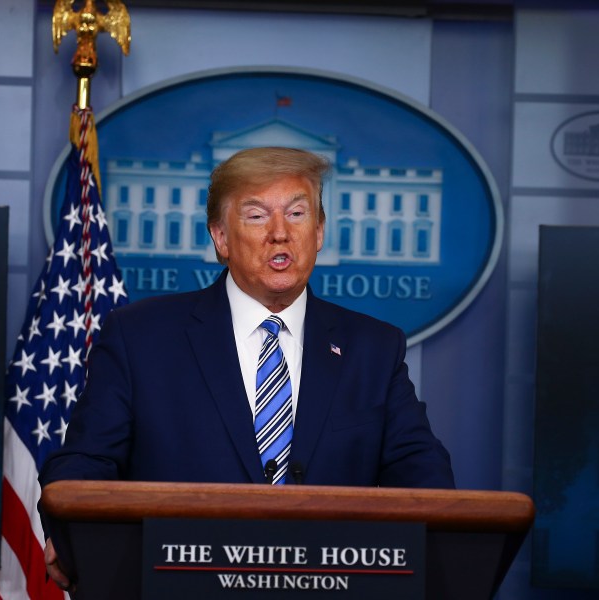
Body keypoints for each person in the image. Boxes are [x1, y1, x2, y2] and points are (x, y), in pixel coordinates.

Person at [39, 146, 455, 590]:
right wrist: (71, 534)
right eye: (256, 216)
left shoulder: (373, 348)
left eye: (297, 214)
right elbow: (86, 460)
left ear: (319, 232)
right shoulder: (140, 336)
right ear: (220, 237)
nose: (280, 233)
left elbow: (421, 474)